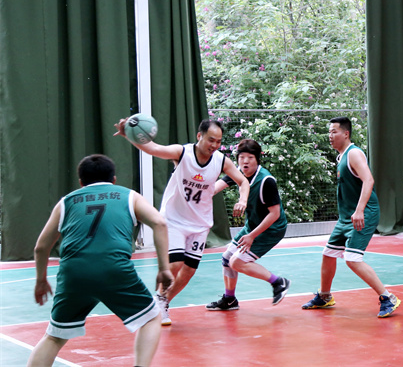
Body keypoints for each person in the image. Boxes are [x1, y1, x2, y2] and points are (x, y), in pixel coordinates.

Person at [27, 154, 173, 367]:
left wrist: (41, 280)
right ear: (114, 179)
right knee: (151, 318)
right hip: (114, 269)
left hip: (74, 273)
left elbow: (40, 247)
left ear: (81, 182)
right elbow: (159, 223)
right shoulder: (129, 196)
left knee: (54, 336)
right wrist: (163, 268)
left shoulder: (66, 202)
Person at [114, 117, 249, 325]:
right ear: (199, 136)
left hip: (200, 224)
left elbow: (242, 181)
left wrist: (243, 199)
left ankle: (163, 301)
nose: (214, 145)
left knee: (189, 271)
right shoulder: (182, 152)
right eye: (211, 140)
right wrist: (131, 135)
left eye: (218, 141)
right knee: (176, 263)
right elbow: (153, 149)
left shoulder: (221, 160)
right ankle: (159, 299)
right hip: (174, 220)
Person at [301, 116, 401, 318]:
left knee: (353, 259)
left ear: (346, 134)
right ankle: (325, 296)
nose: (330, 136)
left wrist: (360, 210)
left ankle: (387, 297)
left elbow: (369, 180)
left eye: (334, 132)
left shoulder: (353, 153)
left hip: (363, 214)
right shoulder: (341, 157)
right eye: (329, 132)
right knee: (328, 254)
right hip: (346, 217)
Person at [206, 139, 291, 311]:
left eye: (250, 158)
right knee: (227, 258)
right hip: (252, 225)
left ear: (257, 159)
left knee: (237, 262)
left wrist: (252, 236)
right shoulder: (238, 173)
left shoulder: (266, 181)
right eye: (241, 157)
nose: (245, 161)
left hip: (271, 229)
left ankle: (278, 282)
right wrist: (196, 192)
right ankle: (230, 299)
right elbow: (214, 188)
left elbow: (274, 214)